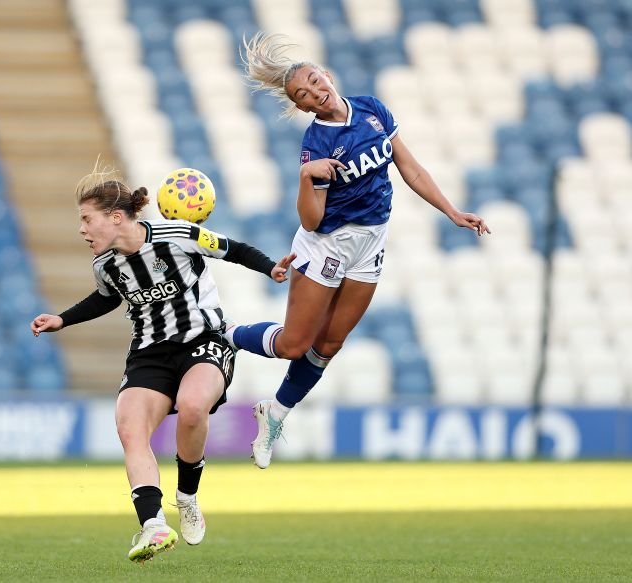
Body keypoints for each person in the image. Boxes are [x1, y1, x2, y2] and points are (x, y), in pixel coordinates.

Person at [226, 33, 491, 469]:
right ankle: (227, 332)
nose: (314, 92)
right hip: (327, 242)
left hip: (371, 241)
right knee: (296, 344)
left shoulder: (371, 108)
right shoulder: (318, 144)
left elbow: (409, 166)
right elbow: (312, 220)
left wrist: (452, 211)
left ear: (326, 74)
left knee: (330, 344)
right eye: (303, 95)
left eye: (314, 81)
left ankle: (275, 413)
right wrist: (305, 177)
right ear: (303, 108)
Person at [29, 166, 293, 563]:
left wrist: (270, 267)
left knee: (191, 407)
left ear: (116, 217)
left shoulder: (178, 235)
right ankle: (152, 525)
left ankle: (186, 496)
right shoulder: (105, 265)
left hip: (204, 341)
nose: (82, 229)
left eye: (87, 219)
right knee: (129, 428)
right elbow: (106, 299)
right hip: (149, 353)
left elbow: (232, 248)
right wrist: (62, 319)